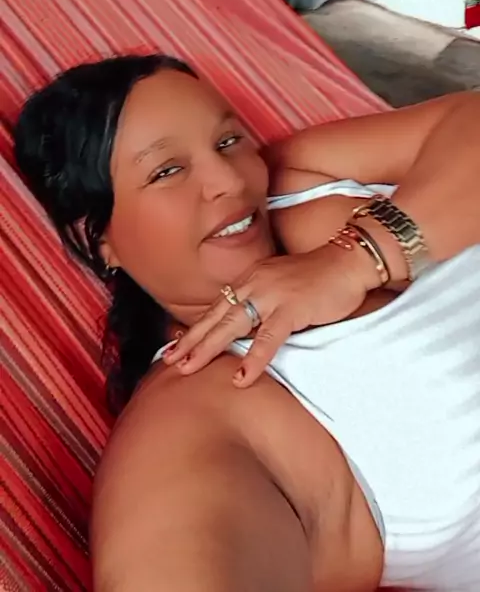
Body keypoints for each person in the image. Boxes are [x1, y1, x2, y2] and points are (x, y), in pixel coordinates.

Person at [14, 53, 480, 592]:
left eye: (228, 140)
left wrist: (355, 261)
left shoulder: (295, 180)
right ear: (98, 239)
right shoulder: (204, 407)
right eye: (166, 172)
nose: (229, 180)